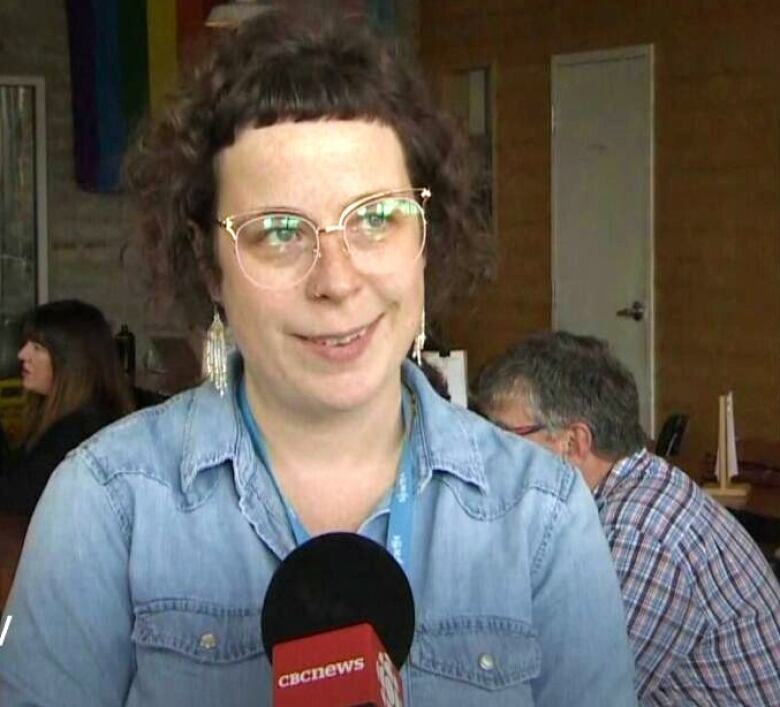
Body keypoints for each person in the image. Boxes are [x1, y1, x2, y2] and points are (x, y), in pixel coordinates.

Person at [0, 12, 637, 706]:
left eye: (374, 218)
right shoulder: (106, 505)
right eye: (277, 231)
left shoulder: (542, 514)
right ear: (210, 266)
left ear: (425, 236)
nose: (335, 280)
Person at [472, 331, 780, 705]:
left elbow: (565, 693)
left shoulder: (641, 531)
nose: (484, 454)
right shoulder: (619, 494)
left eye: (502, 436)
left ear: (573, 443)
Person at [0, 300, 135, 515]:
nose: (22, 355)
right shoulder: (65, 414)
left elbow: (16, 495)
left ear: (71, 361)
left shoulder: (79, 431)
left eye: (37, 348)